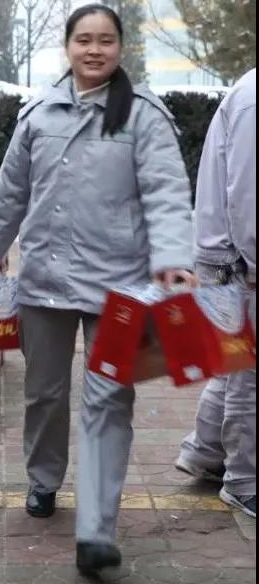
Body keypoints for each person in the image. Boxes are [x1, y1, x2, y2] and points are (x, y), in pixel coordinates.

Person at [0, 4, 195, 576]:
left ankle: (96, 527)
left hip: (120, 286)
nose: (95, 50)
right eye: (84, 40)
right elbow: (10, 194)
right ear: (68, 47)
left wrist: (172, 258)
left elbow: (166, 191)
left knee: (109, 400)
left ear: (121, 48)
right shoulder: (38, 114)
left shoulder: (142, 116)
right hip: (44, 280)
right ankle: (43, 479)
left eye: (106, 40)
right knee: (44, 393)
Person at [176, 68, 256, 519]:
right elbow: (248, 196)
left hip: (229, 258)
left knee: (236, 363)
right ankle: (245, 482)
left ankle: (205, 453)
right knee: (249, 373)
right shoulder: (254, 100)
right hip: (238, 262)